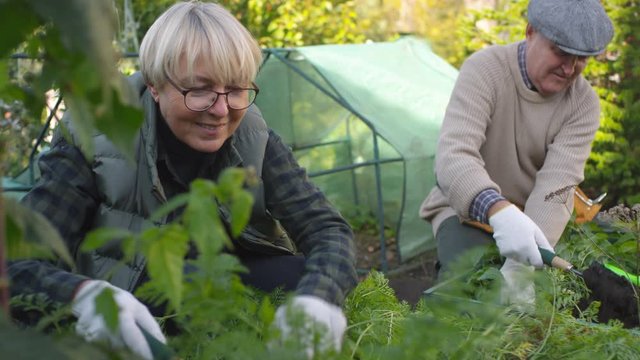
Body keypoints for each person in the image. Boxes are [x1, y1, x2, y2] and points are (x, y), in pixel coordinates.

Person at [8, 1, 357, 358]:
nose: (221, 111)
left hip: (218, 289)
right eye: (199, 90)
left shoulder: (252, 134)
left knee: (299, 276)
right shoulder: (96, 136)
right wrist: (84, 297)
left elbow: (327, 229)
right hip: (131, 301)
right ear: (156, 86)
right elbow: (17, 264)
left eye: (236, 89)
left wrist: (318, 299)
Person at [419, 0, 613, 306]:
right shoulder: (486, 70)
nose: (569, 68)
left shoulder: (582, 104)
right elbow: (454, 156)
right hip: (465, 210)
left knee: (551, 305)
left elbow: (557, 186)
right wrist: (498, 210)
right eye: (561, 52)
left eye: (582, 59)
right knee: (467, 290)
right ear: (530, 32)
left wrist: (523, 265)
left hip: (533, 219)